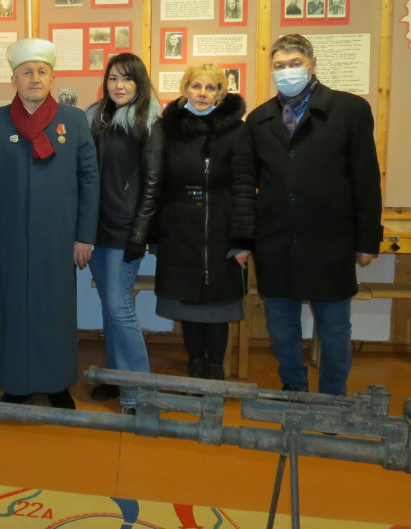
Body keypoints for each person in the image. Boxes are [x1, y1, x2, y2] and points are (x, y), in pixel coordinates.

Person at [246, 34, 383, 396]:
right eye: (279, 65)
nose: (287, 71)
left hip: (330, 240)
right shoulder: (259, 119)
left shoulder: (350, 110)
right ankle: (294, 386)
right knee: (280, 323)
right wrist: (244, 237)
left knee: (334, 326)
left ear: (312, 64)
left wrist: (368, 239)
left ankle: (333, 397)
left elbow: (366, 179)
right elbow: (248, 184)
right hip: (275, 239)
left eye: (295, 63)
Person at [0, 38, 99, 409]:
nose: (34, 78)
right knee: (13, 310)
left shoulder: (73, 121)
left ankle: (57, 383)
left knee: (55, 311)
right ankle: (15, 383)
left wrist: (84, 237)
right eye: (26, 72)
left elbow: (89, 181)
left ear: (52, 78)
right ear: (14, 80)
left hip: (59, 239)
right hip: (9, 239)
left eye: (42, 71)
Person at [129, 64, 256, 380]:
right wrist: (155, 235)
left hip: (222, 233)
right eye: (196, 86)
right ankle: (196, 365)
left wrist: (242, 241)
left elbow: (244, 187)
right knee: (188, 307)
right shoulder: (167, 128)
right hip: (179, 231)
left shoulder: (236, 131)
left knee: (217, 309)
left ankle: (215, 370)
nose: (202, 93)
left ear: (220, 93)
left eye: (210, 87)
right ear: (185, 90)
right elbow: (156, 183)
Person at [84, 53, 160, 412]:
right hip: (95, 227)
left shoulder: (149, 121)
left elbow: (154, 183)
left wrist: (139, 235)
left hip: (124, 230)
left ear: (139, 83)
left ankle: (139, 395)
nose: (119, 85)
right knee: (109, 307)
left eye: (127, 78)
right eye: (113, 78)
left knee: (120, 308)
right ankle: (116, 379)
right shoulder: (96, 118)